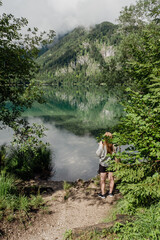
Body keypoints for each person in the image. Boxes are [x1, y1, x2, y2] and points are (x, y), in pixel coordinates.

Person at [96, 132, 116, 198]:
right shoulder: (114, 145)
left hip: (103, 164)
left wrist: (100, 145)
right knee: (111, 179)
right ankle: (110, 193)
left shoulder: (102, 145)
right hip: (111, 164)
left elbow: (98, 154)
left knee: (102, 180)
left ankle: (103, 194)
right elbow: (116, 155)